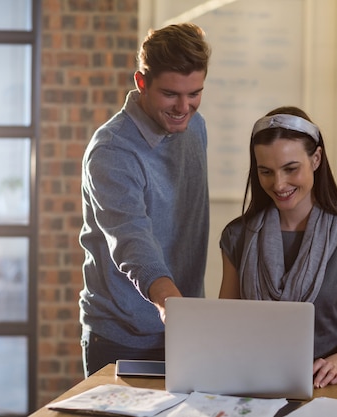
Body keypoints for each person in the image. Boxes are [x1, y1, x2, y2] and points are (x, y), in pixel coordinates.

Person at [218, 106, 337, 389]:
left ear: (316, 158)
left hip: (323, 388)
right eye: (266, 172)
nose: (279, 183)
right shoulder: (237, 236)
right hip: (248, 385)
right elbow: (226, 324)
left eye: (291, 168)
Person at [78, 23, 212, 377]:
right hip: (122, 337)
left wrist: (185, 315)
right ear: (141, 83)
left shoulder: (195, 128)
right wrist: (170, 303)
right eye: (171, 94)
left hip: (183, 326)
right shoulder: (112, 150)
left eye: (194, 93)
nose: (184, 107)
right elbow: (131, 239)